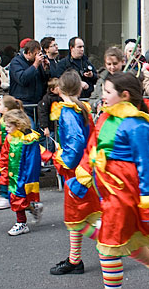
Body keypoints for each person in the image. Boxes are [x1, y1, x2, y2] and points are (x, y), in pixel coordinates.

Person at [93, 72, 149, 288]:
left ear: (124, 95)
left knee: (110, 245)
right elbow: (95, 147)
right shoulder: (108, 116)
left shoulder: (138, 124)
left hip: (123, 191)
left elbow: (146, 165)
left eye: (107, 92)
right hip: (108, 189)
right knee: (127, 242)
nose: (102, 96)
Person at [48, 70, 102, 275]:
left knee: (77, 217)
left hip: (77, 172)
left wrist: (64, 159)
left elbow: (77, 141)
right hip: (86, 169)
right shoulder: (82, 109)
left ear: (60, 89)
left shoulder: (69, 112)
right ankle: (74, 259)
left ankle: (110, 243)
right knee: (79, 216)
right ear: (80, 88)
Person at [0, 109, 43, 235]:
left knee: (18, 198)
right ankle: (33, 209)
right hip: (12, 174)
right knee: (17, 198)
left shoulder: (29, 139)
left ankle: (21, 223)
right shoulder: (10, 138)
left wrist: (29, 179)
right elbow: (4, 154)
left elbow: (32, 161)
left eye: (9, 126)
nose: (6, 129)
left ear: (18, 125)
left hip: (24, 176)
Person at [0, 96, 24, 210]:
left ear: (6, 108)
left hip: (11, 152)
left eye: (1, 105)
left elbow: (6, 139)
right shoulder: (9, 118)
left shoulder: (7, 120)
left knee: (6, 174)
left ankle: (5, 197)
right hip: (10, 151)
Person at [9, 40, 50, 105]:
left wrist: (46, 69)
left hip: (38, 101)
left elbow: (44, 81)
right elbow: (22, 79)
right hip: (23, 102)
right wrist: (35, 64)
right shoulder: (16, 62)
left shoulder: (37, 62)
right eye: (36, 54)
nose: (37, 56)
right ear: (29, 53)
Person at [89, 47, 125, 113]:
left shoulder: (129, 78)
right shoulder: (102, 79)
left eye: (115, 63)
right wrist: (96, 104)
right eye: (109, 64)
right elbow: (92, 99)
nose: (112, 67)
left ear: (122, 62)